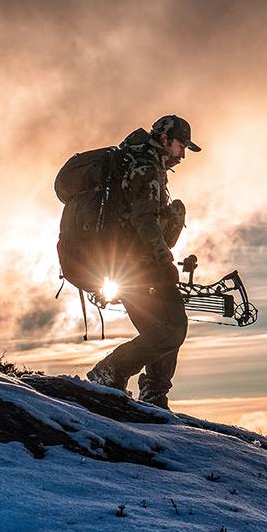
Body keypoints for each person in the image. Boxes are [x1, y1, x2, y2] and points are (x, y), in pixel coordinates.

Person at [85, 114, 200, 409]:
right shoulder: (146, 167)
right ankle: (111, 372)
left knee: (166, 327)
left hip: (126, 264)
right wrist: (163, 257)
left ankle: (153, 394)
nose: (182, 153)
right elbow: (144, 219)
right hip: (139, 265)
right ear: (164, 139)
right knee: (171, 329)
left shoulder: (139, 162)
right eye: (179, 145)